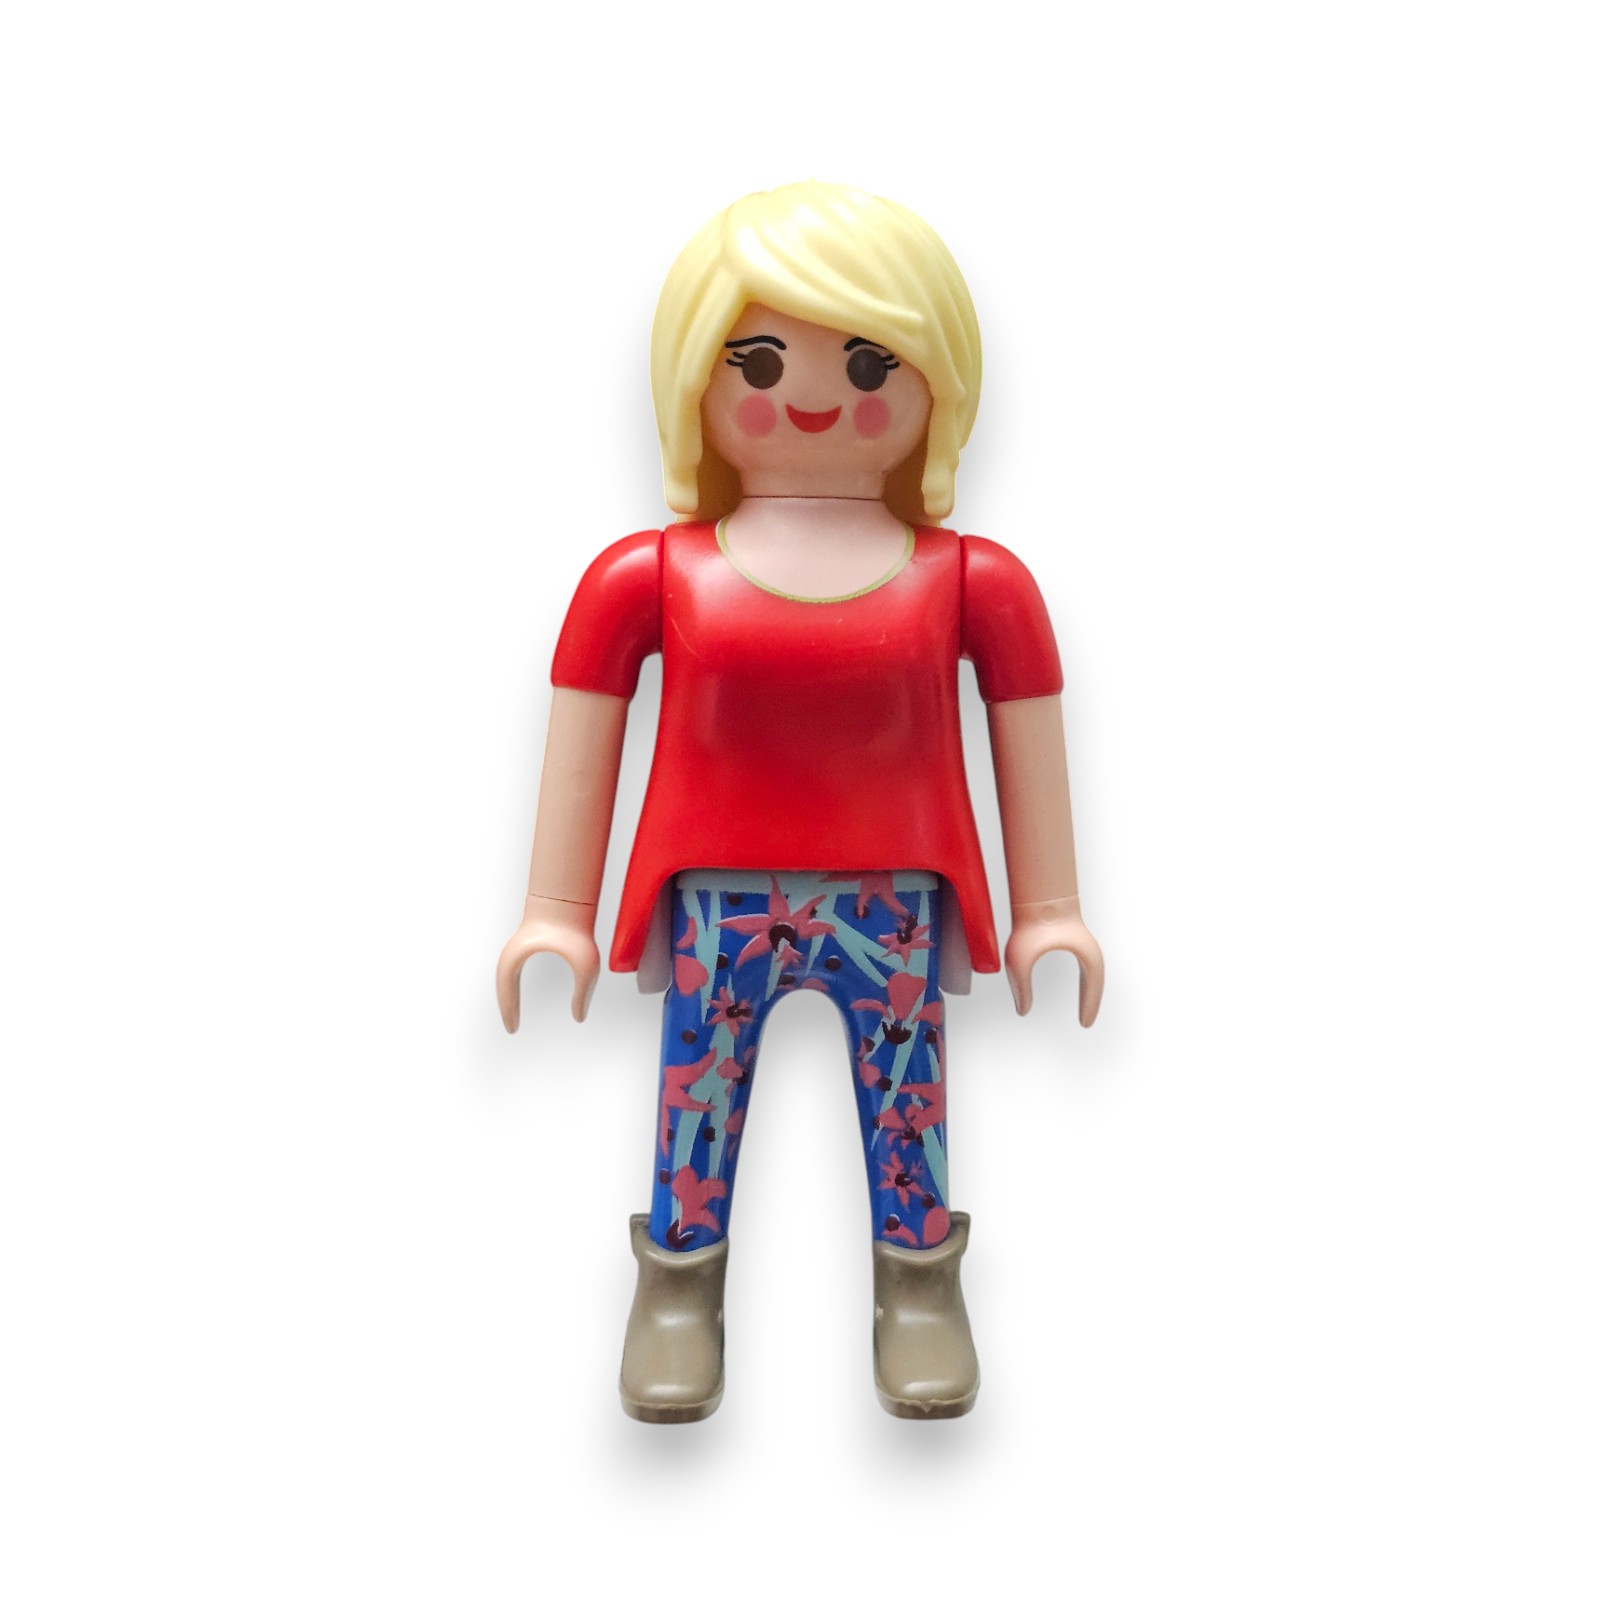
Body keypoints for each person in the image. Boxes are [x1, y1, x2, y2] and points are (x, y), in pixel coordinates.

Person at [497, 182, 1104, 1422]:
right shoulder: (646, 575)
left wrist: (1050, 910)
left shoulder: (972, 580)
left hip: (891, 901)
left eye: (871, 362)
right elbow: (585, 724)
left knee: (907, 1105)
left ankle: (919, 1281)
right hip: (717, 901)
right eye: (759, 362)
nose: (814, 396)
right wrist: (554, 910)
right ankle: (677, 1287)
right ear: (694, 380)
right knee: (697, 1095)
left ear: (937, 384)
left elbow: (1026, 730)